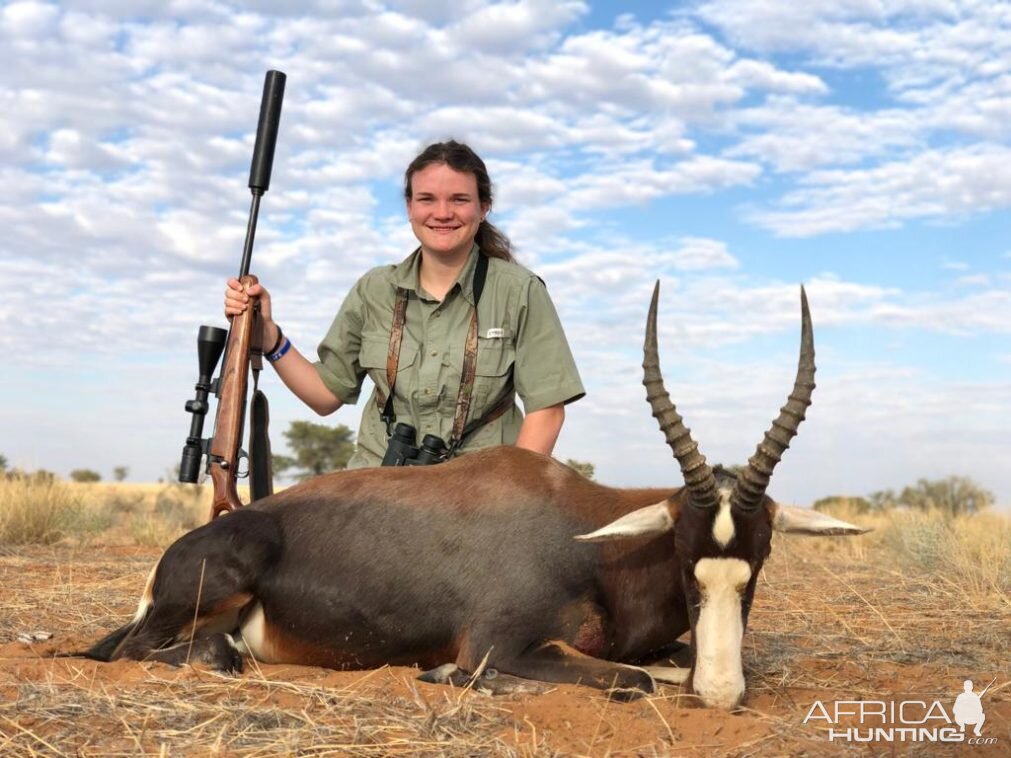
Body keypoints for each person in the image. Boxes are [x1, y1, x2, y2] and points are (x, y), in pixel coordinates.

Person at [225, 140, 584, 469]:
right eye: (427, 199)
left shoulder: (520, 291)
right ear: (410, 207)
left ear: (484, 207)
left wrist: (506, 498)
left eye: (459, 199)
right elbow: (325, 395)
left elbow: (547, 411)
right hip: (377, 488)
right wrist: (270, 339)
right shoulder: (374, 289)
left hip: (479, 496)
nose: (442, 213)